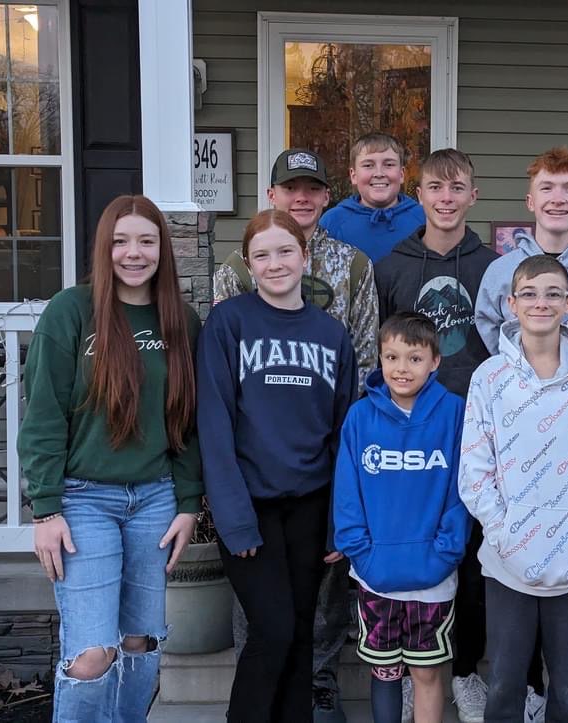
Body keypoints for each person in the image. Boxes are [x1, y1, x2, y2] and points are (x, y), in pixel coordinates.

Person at [19, 194, 201, 721]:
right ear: (105, 247)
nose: (134, 253)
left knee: (141, 641)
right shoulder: (71, 311)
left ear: (162, 249)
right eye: (121, 241)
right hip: (82, 502)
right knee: (92, 653)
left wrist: (188, 503)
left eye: (147, 240)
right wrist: (46, 509)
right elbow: (44, 415)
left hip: (155, 501)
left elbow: (187, 422)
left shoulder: (181, 322)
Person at [212, 148, 376, 720]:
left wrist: (339, 513)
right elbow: (214, 420)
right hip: (250, 504)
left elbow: (340, 430)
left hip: (311, 505)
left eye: (286, 252)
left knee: (301, 631)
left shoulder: (331, 335)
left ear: (306, 257)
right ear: (248, 264)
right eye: (263, 255)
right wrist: (230, 513)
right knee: (273, 628)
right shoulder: (229, 323)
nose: (275, 263)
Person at [459, 255, 568, 723]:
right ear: (511, 304)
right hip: (506, 561)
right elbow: (474, 472)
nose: (542, 302)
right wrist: (505, 535)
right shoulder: (489, 379)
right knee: (504, 686)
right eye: (530, 293)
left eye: (553, 293)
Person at [374, 148, 497, 722]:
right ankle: (404, 669)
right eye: (434, 188)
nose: (446, 199)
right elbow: (382, 350)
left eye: (457, 188)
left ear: (473, 195)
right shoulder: (393, 264)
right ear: (417, 195)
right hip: (411, 432)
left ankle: (466, 672)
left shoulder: (494, 267)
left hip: (478, 429)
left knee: (471, 558)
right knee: (415, 547)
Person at [334, 311, 471, 723]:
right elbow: (347, 494)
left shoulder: (454, 413)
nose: (401, 368)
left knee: (427, 673)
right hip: (375, 574)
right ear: (379, 359)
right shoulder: (360, 417)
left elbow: (462, 491)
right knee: (385, 672)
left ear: (435, 361)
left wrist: (446, 551)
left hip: (433, 576)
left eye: (414, 358)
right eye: (391, 357)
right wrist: (362, 554)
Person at [474, 146, 568, 355]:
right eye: (546, 188)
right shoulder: (501, 271)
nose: (557, 199)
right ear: (530, 201)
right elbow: (488, 326)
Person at [320, 132, 425, 263]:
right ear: (353, 175)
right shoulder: (333, 222)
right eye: (368, 165)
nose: (379, 173)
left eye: (389, 165)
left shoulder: (423, 219)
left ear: (402, 174)